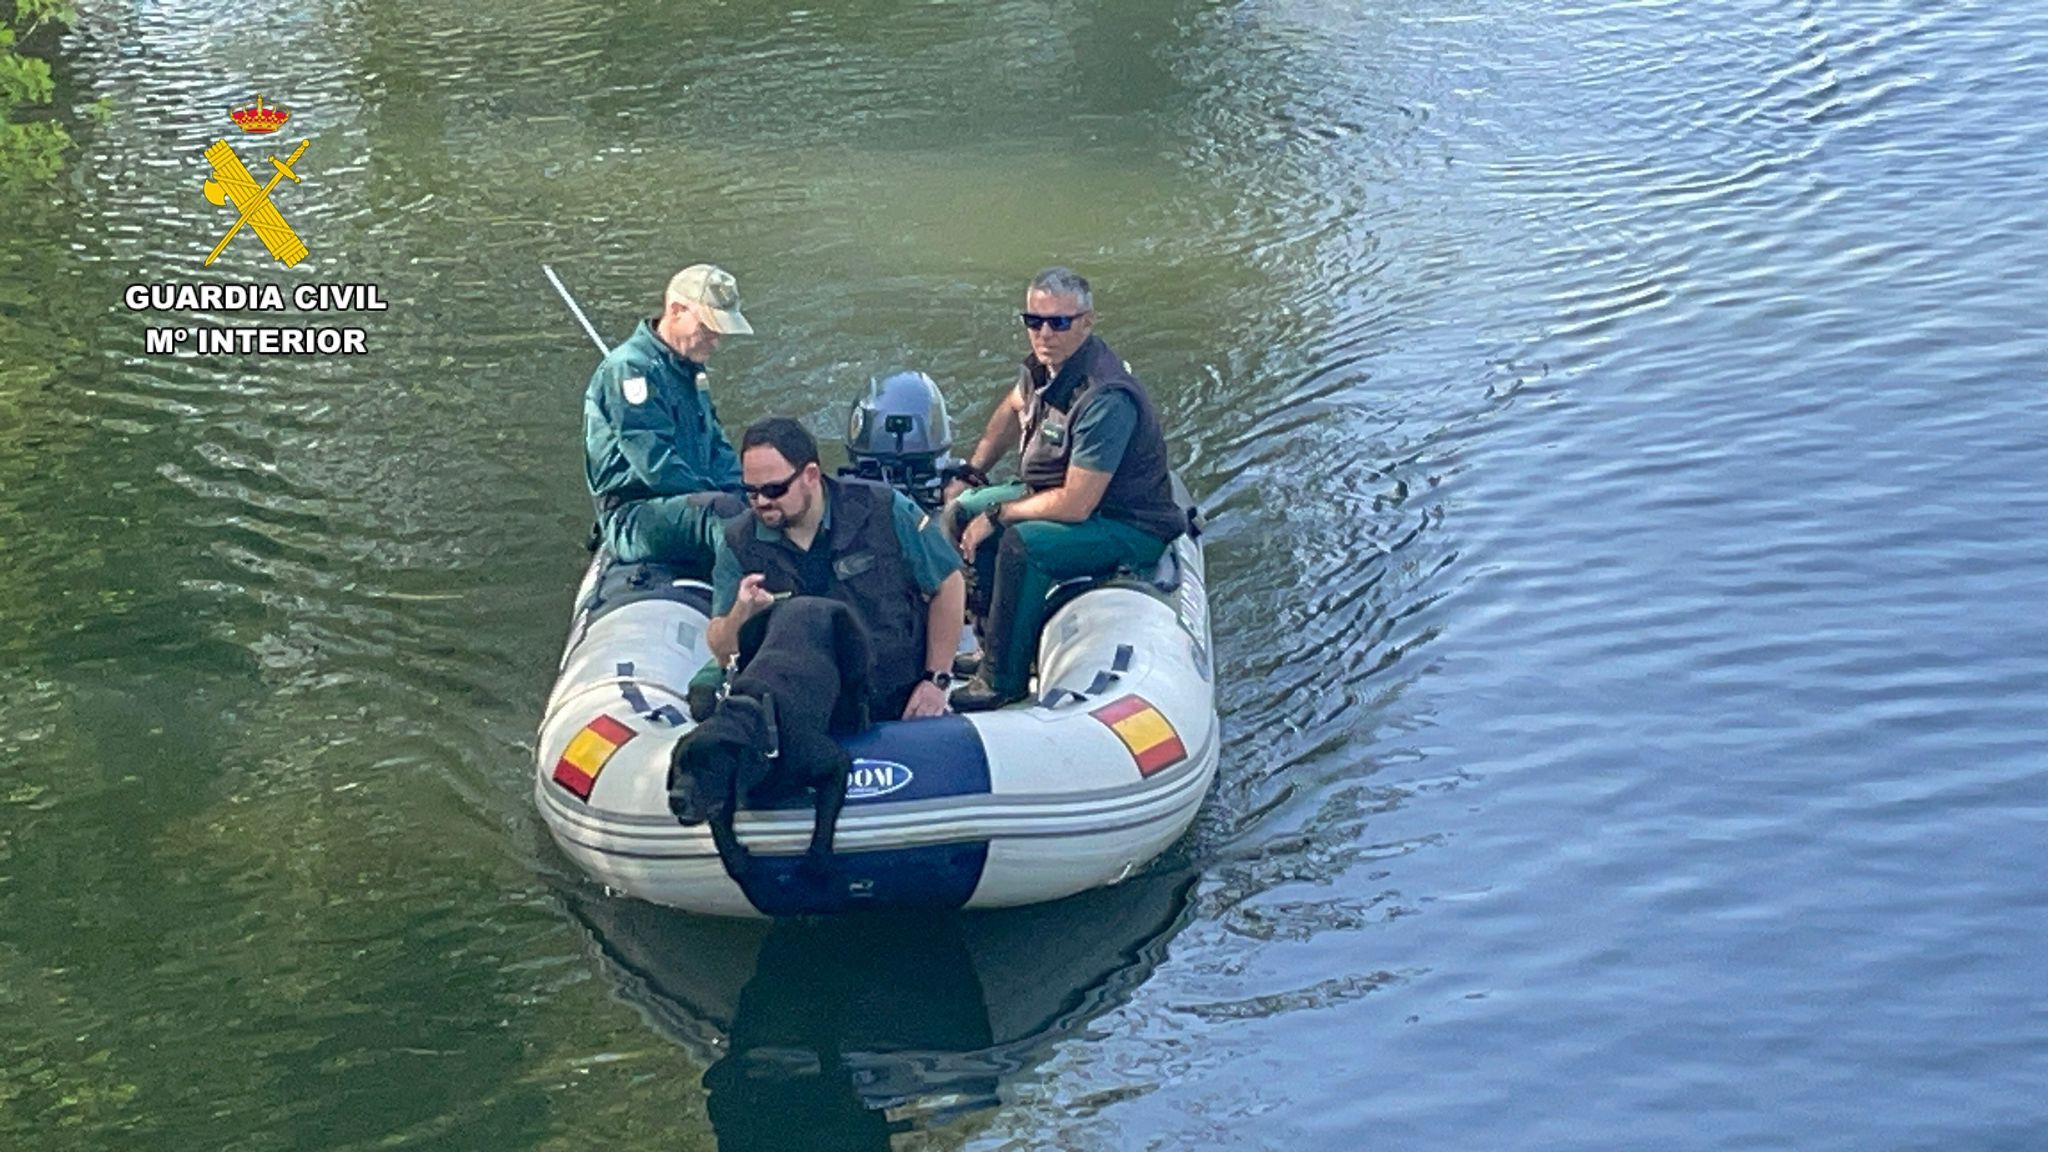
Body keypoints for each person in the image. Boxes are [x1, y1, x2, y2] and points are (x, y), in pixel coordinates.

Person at [946, 267, 1187, 712]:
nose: (1044, 333)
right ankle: (989, 643)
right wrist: (973, 471)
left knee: (1023, 543)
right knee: (961, 511)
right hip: (1061, 494)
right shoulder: (1043, 370)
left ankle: (1004, 680)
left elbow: (1077, 504)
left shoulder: (1104, 397)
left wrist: (998, 515)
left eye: (1059, 322)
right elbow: (1012, 406)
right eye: (1033, 321)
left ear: (1087, 321)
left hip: (1124, 522)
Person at [708, 418, 966, 721]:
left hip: (896, 696)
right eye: (751, 492)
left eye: (775, 489)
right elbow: (722, 650)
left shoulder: (883, 509)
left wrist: (936, 680)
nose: (762, 502)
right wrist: (741, 612)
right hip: (802, 711)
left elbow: (948, 582)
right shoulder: (739, 543)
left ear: (811, 475)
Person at [583, 264, 754, 576]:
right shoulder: (630, 371)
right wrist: (725, 502)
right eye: (708, 329)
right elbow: (657, 465)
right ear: (676, 311)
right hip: (636, 515)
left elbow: (716, 445)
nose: (715, 342)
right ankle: (735, 614)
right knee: (725, 513)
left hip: (690, 504)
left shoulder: (690, 371)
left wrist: (746, 493)